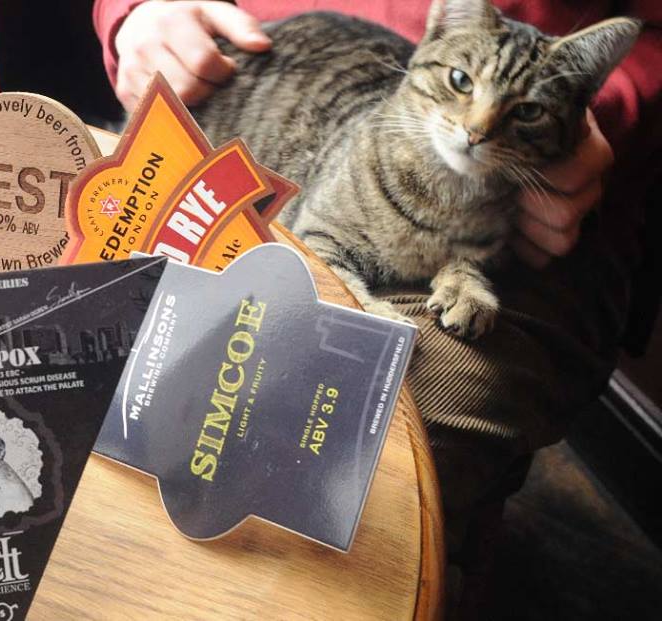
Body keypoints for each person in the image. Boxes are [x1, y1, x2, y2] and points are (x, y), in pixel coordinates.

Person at [92, 0, 662, 608]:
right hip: (237, 83)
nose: (478, 126)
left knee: (357, 443)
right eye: (466, 88)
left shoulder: (507, 155)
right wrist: (134, 13)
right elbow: (320, 239)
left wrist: (590, 113)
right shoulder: (374, 158)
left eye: (517, 111)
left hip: (550, 212)